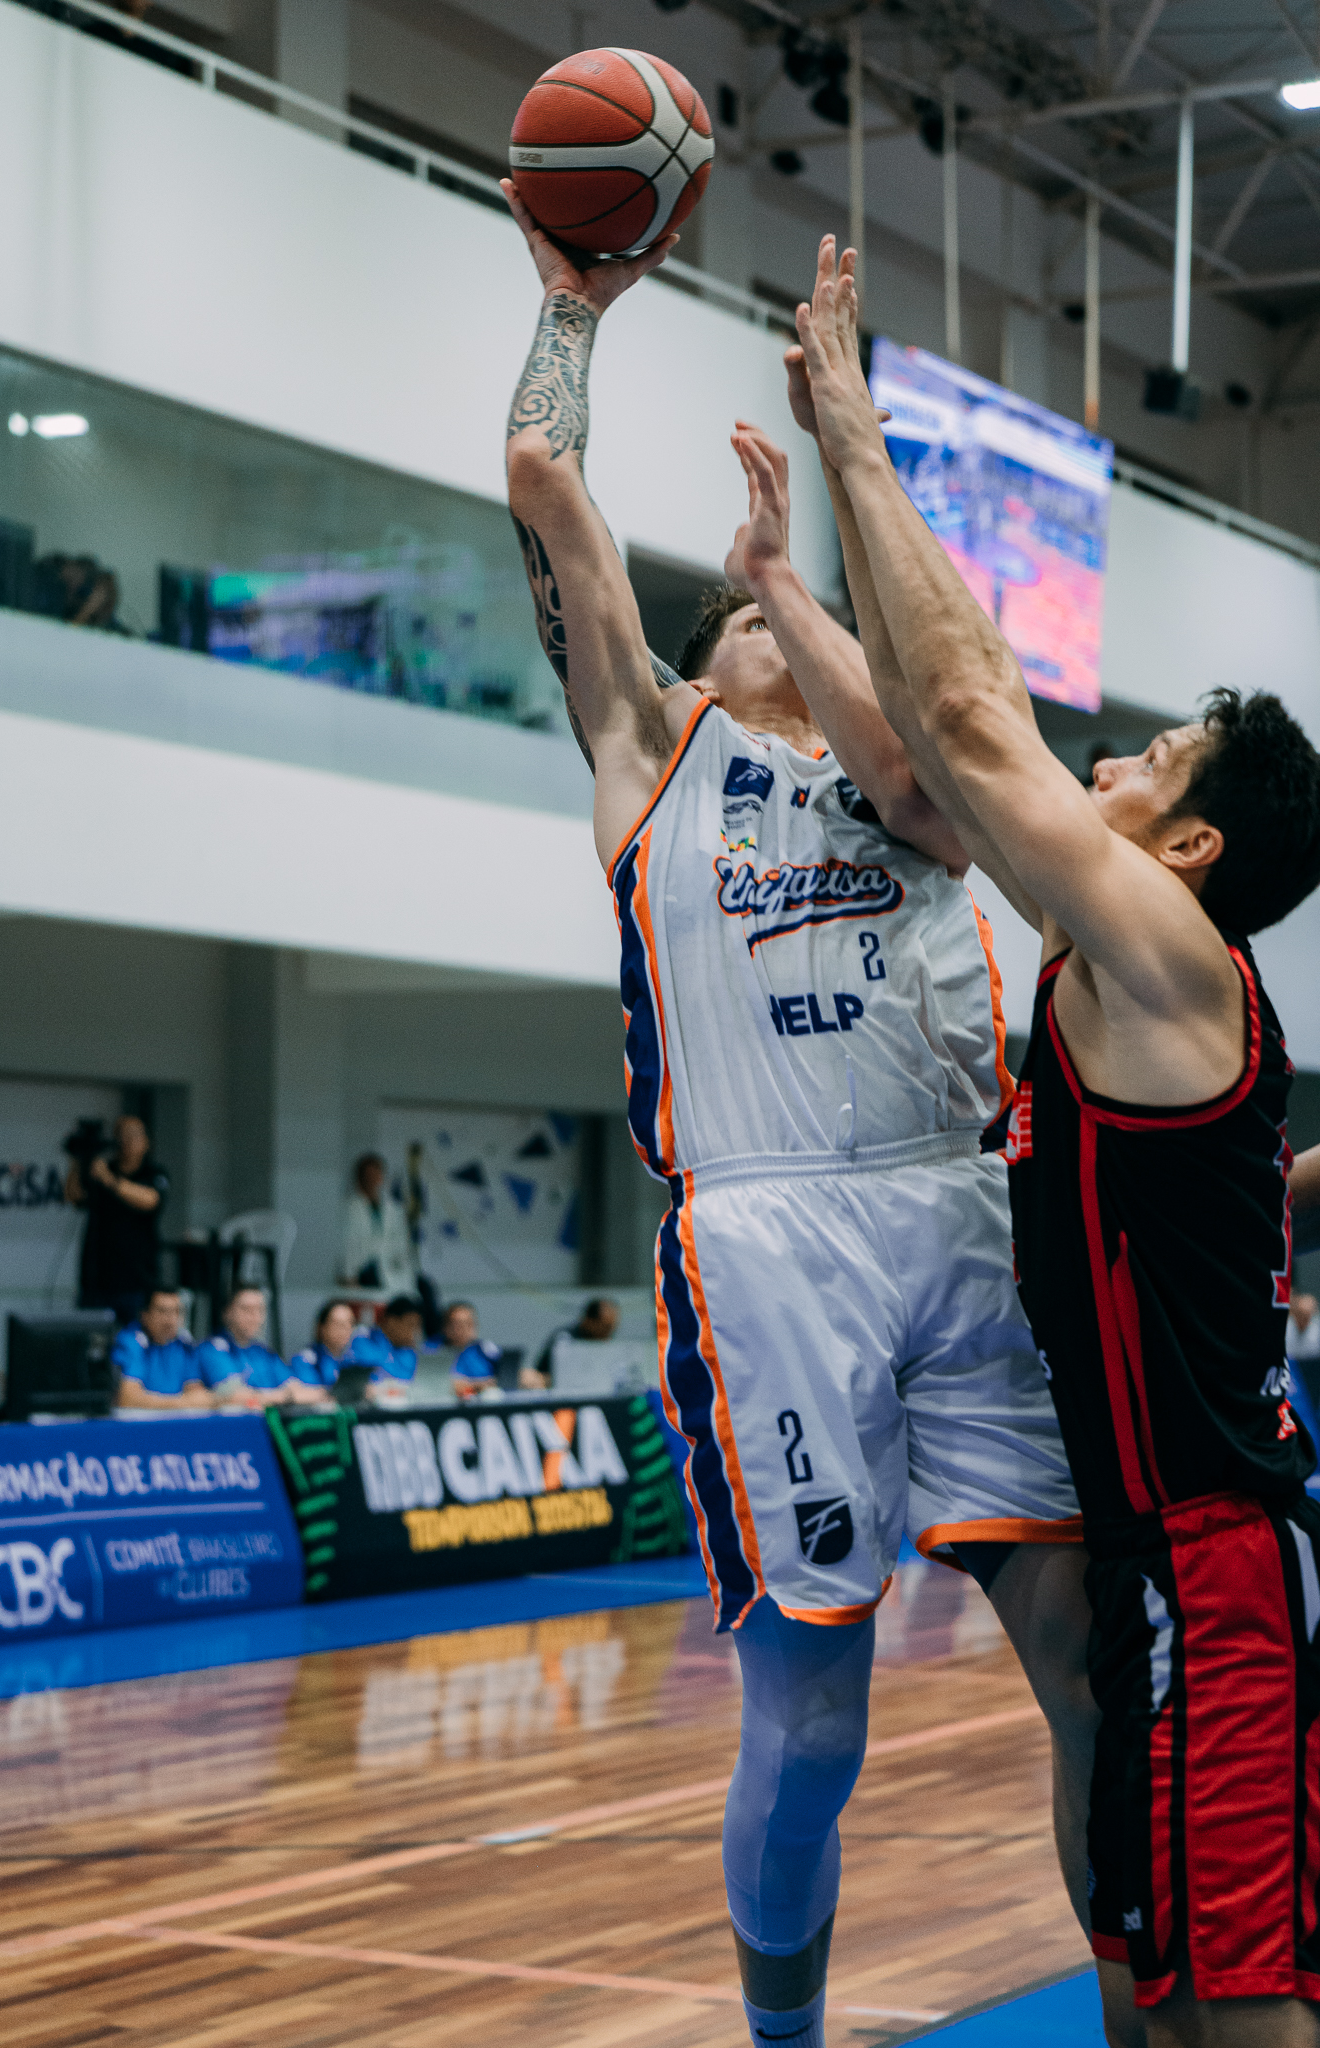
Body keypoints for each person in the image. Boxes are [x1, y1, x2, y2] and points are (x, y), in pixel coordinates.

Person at [501, 184, 1094, 2048]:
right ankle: (785, 2034)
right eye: (762, 616)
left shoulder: (910, 775)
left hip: (960, 1209)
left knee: (1088, 1654)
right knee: (815, 1714)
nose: (794, 631)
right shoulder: (656, 750)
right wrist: (574, 305)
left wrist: (801, 554)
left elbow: (918, 756)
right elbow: (542, 483)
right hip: (766, 1238)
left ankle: (1149, 1996)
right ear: (709, 657)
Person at [791, 237, 1320, 2047]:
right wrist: (802, 565)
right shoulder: (1135, 979)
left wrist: (863, 439)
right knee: (1146, 1995)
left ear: (1187, 854)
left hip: (1214, 1561)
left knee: (1238, 2011)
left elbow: (967, 716)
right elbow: (934, 757)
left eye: (1147, 766)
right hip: (1150, 1555)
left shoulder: (1163, 951)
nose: (1102, 767)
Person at [67, 1114, 169, 1325]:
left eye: (133, 1135)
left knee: (134, 1338)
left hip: (137, 1280)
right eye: (121, 1135)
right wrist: (80, 1159)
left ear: (146, 1141)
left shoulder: (153, 1172)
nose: (126, 1141)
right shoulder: (101, 1169)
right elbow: (74, 1196)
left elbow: (151, 1200)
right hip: (97, 1278)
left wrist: (109, 1180)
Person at [194, 1287, 302, 1406]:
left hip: (269, 1415)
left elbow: (300, 1391)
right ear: (227, 1312)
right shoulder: (211, 1349)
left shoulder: (263, 1352)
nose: (254, 1317)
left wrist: (279, 1396)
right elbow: (233, 1396)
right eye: (246, 1309)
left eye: (260, 1310)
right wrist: (285, 1396)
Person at [113, 1287, 207, 1410]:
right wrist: (179, 1403)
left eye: (176, 1312)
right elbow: (128, 1398)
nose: (170, 1320)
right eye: (162, 1311)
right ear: (145, 1315)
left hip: (174, 1418)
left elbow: (196, 1394)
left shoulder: (183, 1344)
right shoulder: (131, 1341)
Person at [339, 1153, 413, 1291]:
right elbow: (347, 1245)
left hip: (392, 1271)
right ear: (360, 1179)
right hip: (363, 1272)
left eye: (376, 1175)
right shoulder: (350, 1208)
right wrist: (349, 1276)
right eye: (368, 1176)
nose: (372, 1180)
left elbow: (401, 1244)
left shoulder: (393, 1209)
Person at [526, 1294, 620, 1390]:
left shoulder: (604, 1345)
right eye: (606, 1327)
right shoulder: (564, 1340)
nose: (609, 1333)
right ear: (589, 1321)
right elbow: (547, 1376)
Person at [350, 1295, 422, 1398]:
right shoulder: (363, 1340)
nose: (415, 1333)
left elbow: (407, 1383)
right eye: (410, 1325)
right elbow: (368, 1379)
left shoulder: (409, 1352)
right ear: (392, 1321)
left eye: (417, 1326)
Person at [289, 1298, 357, 1398]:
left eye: (350, 1323)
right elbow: (307, 1395)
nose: (345, 1329)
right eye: (338, 1324)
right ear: (322, 1327)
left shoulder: (350, 1359)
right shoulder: (305, 1360)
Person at [441, 1300, 501, 1401]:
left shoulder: (486, 1349)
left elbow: (507, 1373)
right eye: (458, 1324)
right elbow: (434, 1384)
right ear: (446, 1326)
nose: (464, 1329)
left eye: (469, 1324)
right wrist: (477, 1385)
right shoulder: (432, 1351)